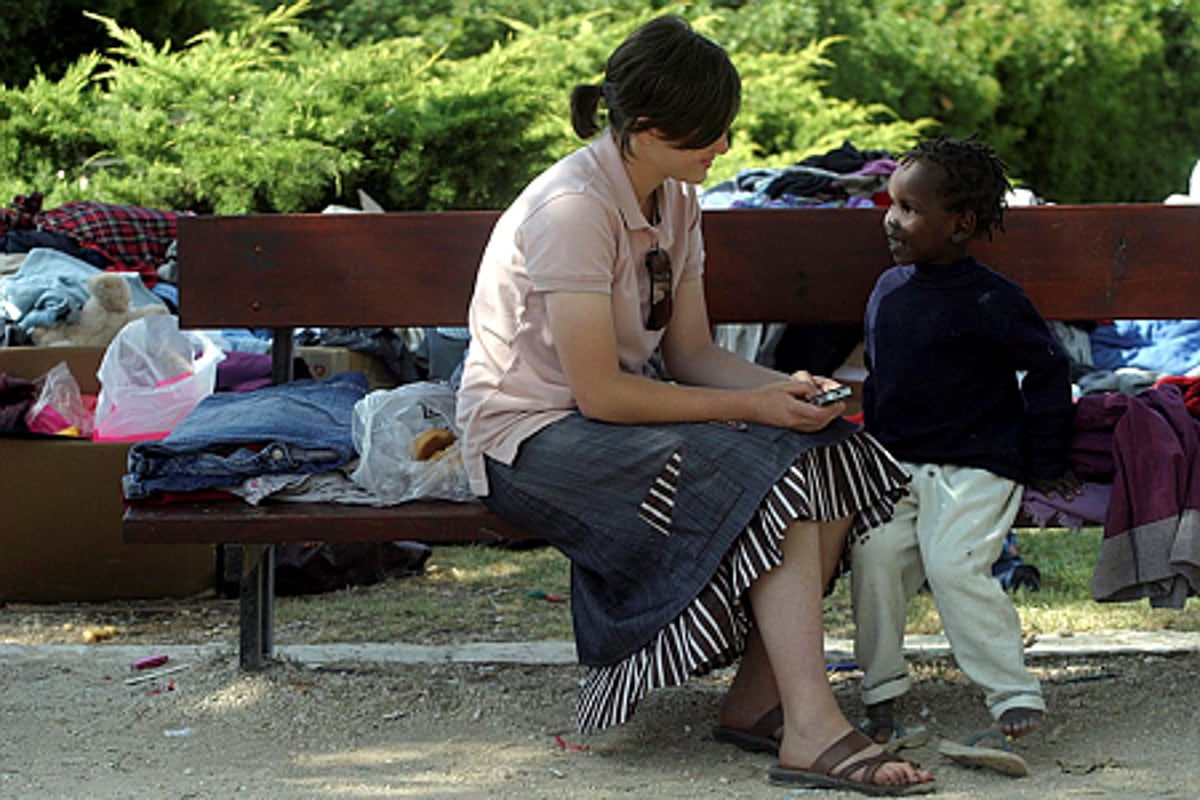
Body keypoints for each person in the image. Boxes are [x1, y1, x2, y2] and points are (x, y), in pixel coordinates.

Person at [456, 14, 935, 796]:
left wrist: (779, 391)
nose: (721, 150)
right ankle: (811, 729)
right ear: (642, 130)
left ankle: (759, 702)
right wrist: (751, 413)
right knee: (770, 472)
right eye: (703, 136)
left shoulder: (675, 199)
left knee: (832, 451)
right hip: (530, 439)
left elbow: (691, 357)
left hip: (608, 421)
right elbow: (600, 394)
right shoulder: (572, 210)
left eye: (723, 131)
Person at [852, 136, 1081, 749]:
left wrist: (1044, 458)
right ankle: (881, 696)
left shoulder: (993, 299)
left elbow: (1048, 369)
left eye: (908, 209)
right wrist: (873, 454)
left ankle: (1013, 694)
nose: (890, 219)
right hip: (898, 463)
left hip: (977, 465)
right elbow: (881, 379)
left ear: (961, 225)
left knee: (954, 563)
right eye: (891, 204)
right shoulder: (887, 292)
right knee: (874, 558)